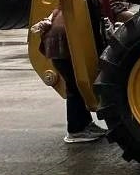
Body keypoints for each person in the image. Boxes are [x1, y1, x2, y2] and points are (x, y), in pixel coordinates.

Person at [32, 8, 107, 143]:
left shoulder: (63, 7)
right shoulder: (84, 2)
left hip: (58, 50)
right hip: (63, 50)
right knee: (75, 87)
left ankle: (85, 125)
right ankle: (76, 131)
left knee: (76, 86)